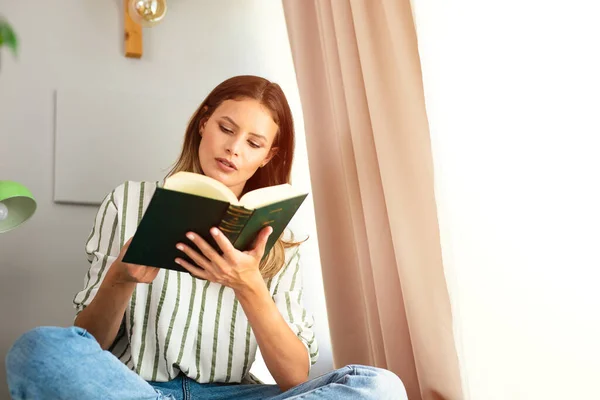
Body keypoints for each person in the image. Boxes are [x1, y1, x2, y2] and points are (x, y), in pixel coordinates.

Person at [5, 75, 407, 400]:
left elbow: (294, 377)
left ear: (268, 156)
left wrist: (249, 285)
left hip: (233, 395)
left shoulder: (281, 234)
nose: (233, 149)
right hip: (135, 389)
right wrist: (120, 277)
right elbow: (88, 343)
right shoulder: (127, 202)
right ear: (203, 123)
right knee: (38, 349)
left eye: (253, 143)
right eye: (225, 129)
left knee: (381, 387)